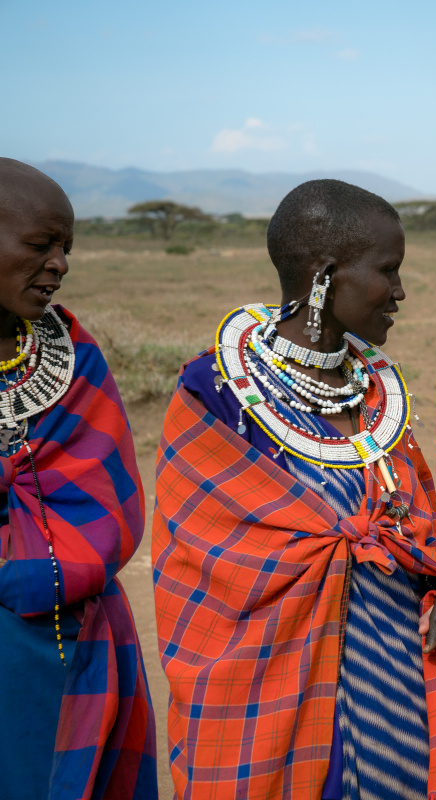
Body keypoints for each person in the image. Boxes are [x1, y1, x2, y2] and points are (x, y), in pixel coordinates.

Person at [152, 179, 436, 800]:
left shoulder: (374, 391)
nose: (399, 292)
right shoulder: (217, 396)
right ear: (325, 275)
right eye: (387, 271)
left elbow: (414, 520)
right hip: (268, 684)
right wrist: (336, 548)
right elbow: (209, 559)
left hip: (395, 677)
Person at [0, 159, 157, 799]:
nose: (61, 264)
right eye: (41, 245)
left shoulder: (73, 354)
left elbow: (105, 508)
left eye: (67, 248)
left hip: (75, 637)